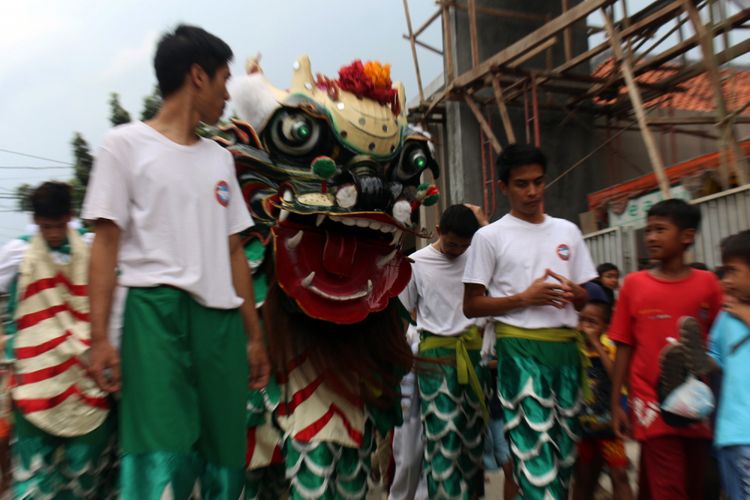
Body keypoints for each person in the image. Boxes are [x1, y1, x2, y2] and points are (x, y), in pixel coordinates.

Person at [82, 24, 269, 499]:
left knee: (224, 456)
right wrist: (99, 338)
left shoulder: (219, 159)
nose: (228, 93)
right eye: (225, 78)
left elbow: (233, 252)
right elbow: (104, 245)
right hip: (154, 319)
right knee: (161, 454)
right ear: (197, 76)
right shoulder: (123, 146)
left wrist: (253, 337)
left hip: (221, 326)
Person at [463, 144, 597, 500]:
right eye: (522, 184)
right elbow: (472, 305)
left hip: (568, 353)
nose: (533, 192)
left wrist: (577, 294)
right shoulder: (489, 237)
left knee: (563, 461)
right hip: (519, 352)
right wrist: (525, 298)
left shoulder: (568, 231)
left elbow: (587, 296)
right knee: (535, 461)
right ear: (504, 187)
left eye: (538, 182)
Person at [0, 181, 117, 498]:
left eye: (59, 225)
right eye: (46, 226)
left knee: (87, 477)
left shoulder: (94, 249)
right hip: (35, 388)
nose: (53, 233)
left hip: (87, 381)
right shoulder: (16, 254)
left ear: (70, 216)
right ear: (35, 221)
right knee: (34, 480)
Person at [609, 199, 723, 500]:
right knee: (670, 486)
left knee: (691, 480)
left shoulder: (708, 284)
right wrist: (616, 403)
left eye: (660, 230)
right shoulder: (633, 284)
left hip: (697, 399)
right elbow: (623, 345)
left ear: (687, 237)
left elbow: (718, 341)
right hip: (649, 400)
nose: (650, 238)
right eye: (648, 231)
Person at [399, 203, 492, 499]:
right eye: (452, 243)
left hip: (474, 356)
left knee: (473, 442)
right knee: (442, 440)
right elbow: (402, 317)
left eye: (464, 246)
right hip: (434, 361)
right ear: (438, 232)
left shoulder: (477, 259)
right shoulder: (415, 263)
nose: (457, 251)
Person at [573, 296, 633, 500]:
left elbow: (616, 376)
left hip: (608, 426)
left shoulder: (610, 348)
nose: (585, 327)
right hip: (581, 426)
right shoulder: (574, 348)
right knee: (584, 477)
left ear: (606, 326)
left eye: (592, 323)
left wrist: (597, 344)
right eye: (582, 320)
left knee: (620, 473)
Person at [707, 230, 750, 500]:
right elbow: (715, 360)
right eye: (724, 272)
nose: (726, 281)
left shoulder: (738, 313)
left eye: (733, 271)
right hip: (731, 434)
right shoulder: (726, 317)